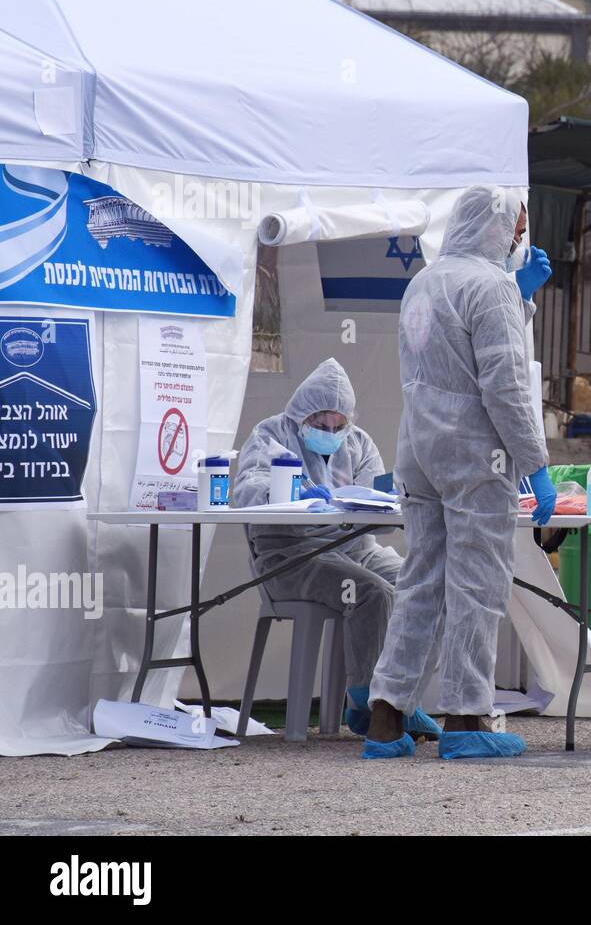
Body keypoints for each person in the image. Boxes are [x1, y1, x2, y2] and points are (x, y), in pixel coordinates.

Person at [362, 185, 557, 761]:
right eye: (518, 225)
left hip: (419, 445)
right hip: (473, 451)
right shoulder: (490, 285)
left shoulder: (425, 280)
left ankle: (386, 715)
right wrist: (536, 463)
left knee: (421, 579)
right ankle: (468, 715)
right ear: (496, 225)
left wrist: (517, 301)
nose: (521, 235)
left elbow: (447, 356)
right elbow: (504, 384)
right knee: (478, 583)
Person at [233, 357, 441, 741]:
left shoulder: (358, 443)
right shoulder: (271, 435)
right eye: (319, 423)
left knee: (427, 588)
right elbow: (245, 490)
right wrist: (290, 491)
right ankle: (366, 701)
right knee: (372, 593)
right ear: (300, 416)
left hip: (355, 547)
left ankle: (402, 697)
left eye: (338, 424)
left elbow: (373, 497)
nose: (330, 432)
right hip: (292, 554)